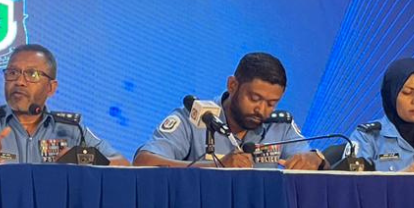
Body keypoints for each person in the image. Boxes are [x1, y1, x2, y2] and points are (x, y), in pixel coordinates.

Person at [0, 43, 129, 165]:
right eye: (12, 73)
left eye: (32, 74)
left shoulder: (71, 128)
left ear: (51, 88)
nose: (19, 81)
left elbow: (122, 163)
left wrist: (86, 158)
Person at [134, 52, 323, 169]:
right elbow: (144, 162)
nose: (261, 110)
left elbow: (312, 159)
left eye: (272, 103)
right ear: (232, 85)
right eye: (254, 99)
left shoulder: (279, 126)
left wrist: (316, 159)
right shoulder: (195, 117)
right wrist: (217, 166)